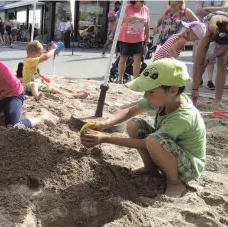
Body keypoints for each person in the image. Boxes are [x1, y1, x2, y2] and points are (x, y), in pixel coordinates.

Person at [81, 59, 206, 198]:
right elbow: (129, 111)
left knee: (153, 141)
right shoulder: (167, 100)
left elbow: (146, 142)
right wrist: (106, 124)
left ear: (173, 90)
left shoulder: (183, 117)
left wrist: (105, 138)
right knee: (134, 125)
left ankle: (175, 182)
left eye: (151, 91)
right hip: (170, 152)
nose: (145, 95)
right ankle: (151, 168)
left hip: (188, 167)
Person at [192, 11, 228, 106]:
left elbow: (224, 49)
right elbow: (197, 64)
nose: (218, 46)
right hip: (210, 20)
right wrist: (194, 89)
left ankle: (218, 100)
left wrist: (209, 59)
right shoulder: (207, 32)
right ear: (214, 38)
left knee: (222, 64)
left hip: (227, 23)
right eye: (218, 44)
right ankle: (194, 95)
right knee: (199, 64)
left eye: (221, 45)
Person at [23, 40, 89, 101]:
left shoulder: (31, 60)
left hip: (37, 83)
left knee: (52, 89)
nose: (40, 56)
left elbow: (34, 74)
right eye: (39, 54)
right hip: (28, 84)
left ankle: (73, 95)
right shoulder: (28, 61)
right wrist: (53, 49)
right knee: (34, 85)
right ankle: (37, 96)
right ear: (33, 53)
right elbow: (46, 57)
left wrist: (42, 79)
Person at [193, 0, 228, 89]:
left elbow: (225, 8)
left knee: (211, 54)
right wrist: (217, 11)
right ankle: (199, 78)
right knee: (199, 57)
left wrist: (206, 9)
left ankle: (210, 81)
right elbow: (197, 11)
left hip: (216, 30)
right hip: (202, 30)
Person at [117, 1, 150, 83]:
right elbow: (121, 19)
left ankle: (135, 80)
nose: (143, 2)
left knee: (138, 59)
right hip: (125, 38)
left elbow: (147, 24)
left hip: (139, 38)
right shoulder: (127, 7)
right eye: (141, 1)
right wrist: (134, 18)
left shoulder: (145, 9)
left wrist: (147, 37)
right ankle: (120, 79)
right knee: (123, 59)